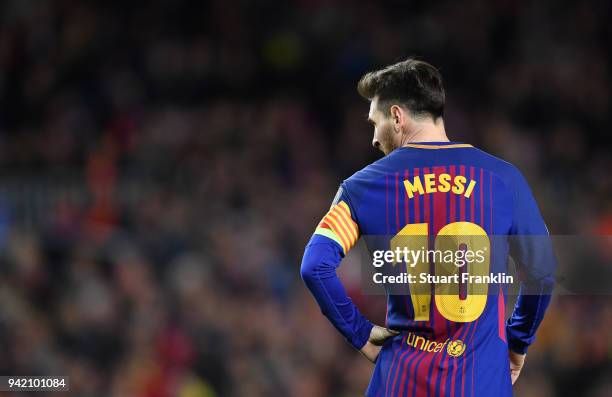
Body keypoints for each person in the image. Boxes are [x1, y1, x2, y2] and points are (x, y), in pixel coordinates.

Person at [300, 58, 556, 396]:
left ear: (396, 116)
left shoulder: (361, 187)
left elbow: (315, 266)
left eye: (374, 123)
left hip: (400, 381)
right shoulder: (503, 179)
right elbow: (542, 272)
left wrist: (359, 332)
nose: (374, 139)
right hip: (481, 381)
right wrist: (518, 342)